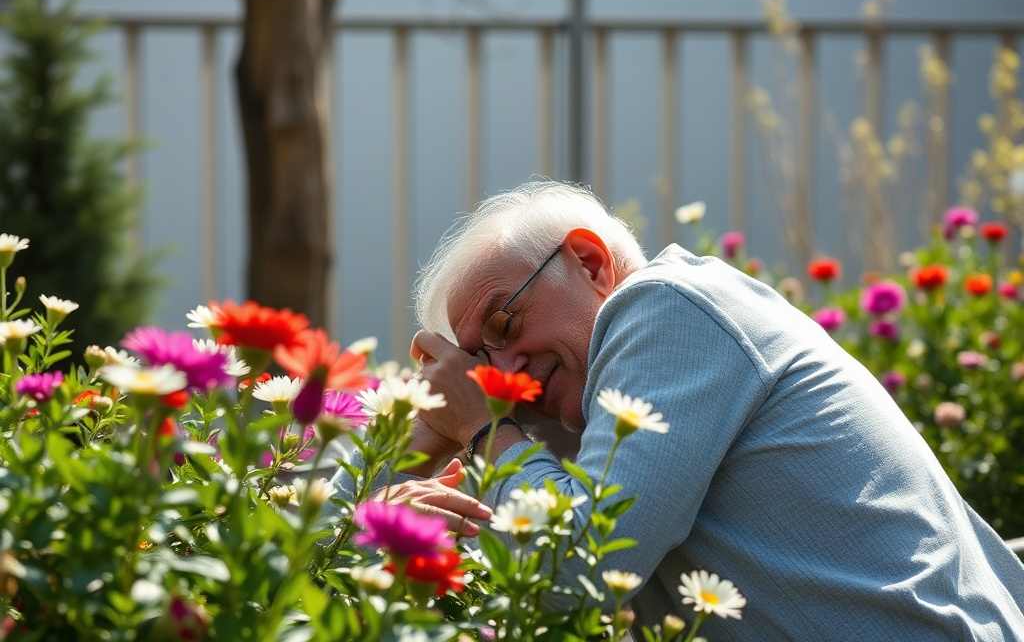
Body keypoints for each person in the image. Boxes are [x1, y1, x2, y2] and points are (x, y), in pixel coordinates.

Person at [341, 180, 1024, 640]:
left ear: (588, 261)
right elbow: (317, 548)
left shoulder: (667, 307)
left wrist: (487, 426)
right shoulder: (596, 404)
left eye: (505, 323)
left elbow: (570, 574)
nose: (506, 372)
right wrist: (415, 442)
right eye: (482, 363)